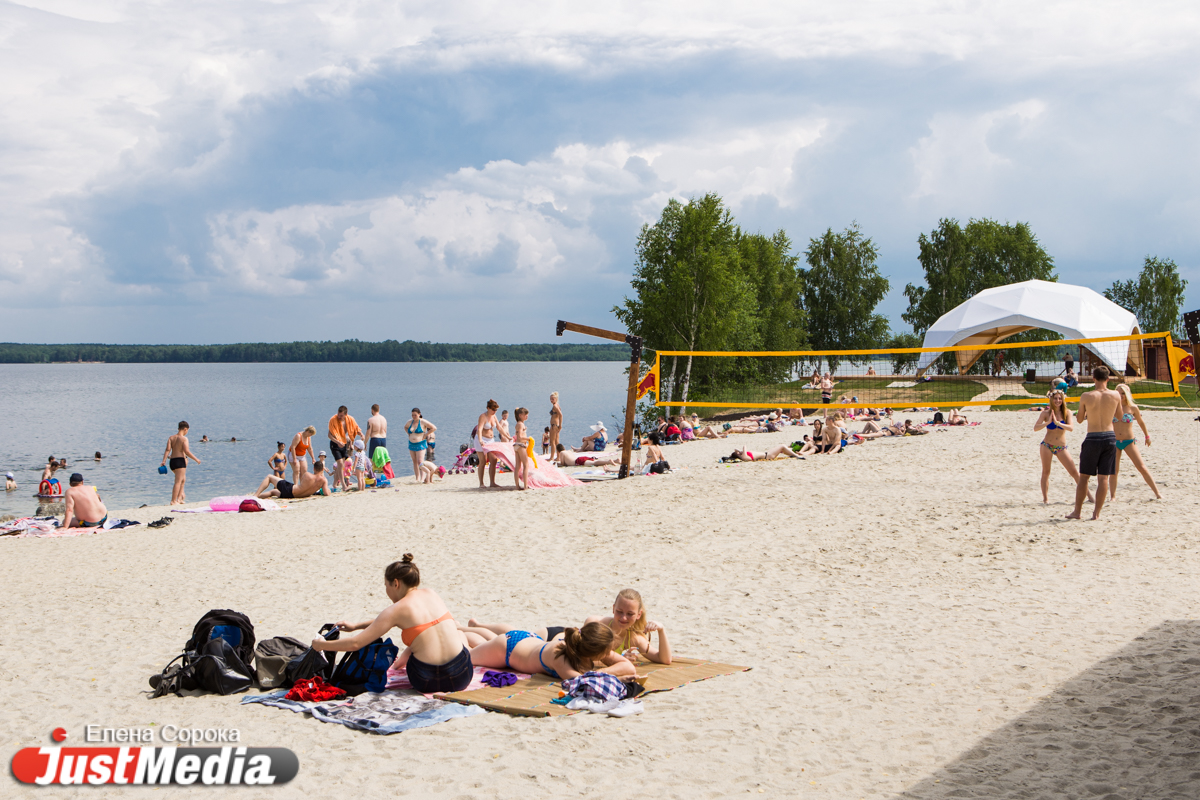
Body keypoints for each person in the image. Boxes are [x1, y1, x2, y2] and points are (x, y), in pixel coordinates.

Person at [313, 554, 474, 694]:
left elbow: (356, 643)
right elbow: (392, 622)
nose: (387, 590)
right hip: (462, 676)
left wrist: (322, 645)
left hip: (426, 681)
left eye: (386, 586)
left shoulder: (396, 610)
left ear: (395, 583)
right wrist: (356, 626)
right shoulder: (431, 594)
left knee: (415, 648)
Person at [468, 621, 634, 680]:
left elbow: (629, 667)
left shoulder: (582, 647)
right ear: (594, 652)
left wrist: (606, 670)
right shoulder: (560, 657)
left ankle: (471, 626)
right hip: (507, 649)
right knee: (466, 657)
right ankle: (458, 630)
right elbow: (582, 680)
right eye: (606, 652)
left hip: (527, 641)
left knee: (485, 643)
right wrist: (616, 677)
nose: (609, 654)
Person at [1067, 366, 1122, 521]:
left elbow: (1078, 419)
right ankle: (1096, 514)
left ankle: (1077, 512)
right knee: (1103, 478)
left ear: (1093, 378)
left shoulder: (1086, 395)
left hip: (1093, 437)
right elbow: (1119, 416)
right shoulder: (1116, 395)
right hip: (1110, 437)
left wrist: (1087, 414)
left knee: (1084, 477)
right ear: (1108, 379)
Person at [1033, 390, 1091, 505]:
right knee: (1046, 471)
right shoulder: (1046, 413)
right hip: (1047, 445)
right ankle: (1045, 499)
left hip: (1061, 447)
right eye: (1055, 398)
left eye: (1060, 398)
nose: (1057, 401)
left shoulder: (1067, 413)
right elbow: (1035, 428)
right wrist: (1047, 422)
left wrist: (1058, 423)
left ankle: (1089, 496)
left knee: (1074, 472)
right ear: (1051, 399)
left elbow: (1071, 427)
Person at [1110, 384, 1161, 501]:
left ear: (1127, 394)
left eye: (1123, 393)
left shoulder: (1133, 408)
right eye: (1119, 393)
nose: (1121, 395)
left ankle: (1157, 493)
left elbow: (1141, 423)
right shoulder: (1111, 406)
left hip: (1129, 441)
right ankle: (1112, 496)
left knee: (1141, 467)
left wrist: (1147, 436)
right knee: (1114, 470)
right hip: (1114, 441)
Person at [161, 421, 200, 505]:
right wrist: (196, 459)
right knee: (178, 481)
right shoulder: (184, 439)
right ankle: (173, 501)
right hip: (180, 461)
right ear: (185, 429)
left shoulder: (171, 438)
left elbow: (168, 450)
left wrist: (164, 460)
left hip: (172, 462)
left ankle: (180, 498)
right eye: (187, 430)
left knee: (183, 479)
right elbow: (187, 451)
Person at [328, 406, 362, 492]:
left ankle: (334, 484)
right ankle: (343, 485)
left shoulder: (350, 420)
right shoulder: (333, 420)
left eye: (341, 415)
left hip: (343, 443)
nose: (339, 417)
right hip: (335, 444)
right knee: (340, 463)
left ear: (345, 414)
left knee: (341, 465)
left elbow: (355, 428)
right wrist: (337, 442)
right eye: (338, 415)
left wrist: (361, 434)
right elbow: (329, 435)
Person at [476, 399, 508, 488]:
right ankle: (481, 483)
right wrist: (480, 440)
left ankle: (492, 482)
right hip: (481, 439)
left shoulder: (494, 416)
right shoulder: (483, 416)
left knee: (493, 460)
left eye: (496, 410)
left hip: (490, 440)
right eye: (493, 409)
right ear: (488, 408)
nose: (494, 411)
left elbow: (499, 427)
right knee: (483, 461)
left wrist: (507, 436)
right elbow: (479, 429)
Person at [256, 460, 329, 499]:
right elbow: (326, 493)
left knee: (269, 477)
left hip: (290, 490)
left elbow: (301, 484)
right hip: (294, 496)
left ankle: (255, 496)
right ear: (323, 469)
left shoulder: (307, 475)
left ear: (314, 468)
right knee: (273, 491)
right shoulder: (324, 480)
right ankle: (258, 497)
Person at [404, 408, 437, 482]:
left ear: (419, 414)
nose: (414, 416)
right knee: (414, 461)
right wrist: (408, 433)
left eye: (415, 415)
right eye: (412, 415)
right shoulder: (410, 422)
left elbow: (434, 428)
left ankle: (422, 478)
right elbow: (405, 427)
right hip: (411, 444)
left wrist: (426, 435)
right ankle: (417, 478)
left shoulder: (423, 422)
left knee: (420, 462)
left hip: (420, 444)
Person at [511, 407, 533, 490]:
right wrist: (529, 439)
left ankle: (517, 486)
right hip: (520, 445)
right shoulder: (520, 424)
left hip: (516, 446)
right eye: (525, 415)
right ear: (520, 415)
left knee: (517, 466)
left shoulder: (519, 424)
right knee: (525, 465)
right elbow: (520, 437)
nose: (527, 416)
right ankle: (525, 486)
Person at [727, 445, 803, 461]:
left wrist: (738, 452)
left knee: (783, 448)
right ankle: (796, 455)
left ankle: (794, 454)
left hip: (767, 453)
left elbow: (735, 449)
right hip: (768, 456)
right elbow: (744, 446)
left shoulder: (744, 456)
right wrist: (740, 451)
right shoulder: (744, 457)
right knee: (782, 446)